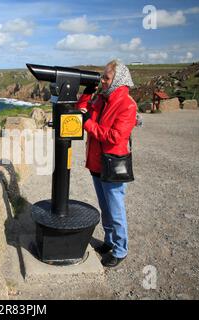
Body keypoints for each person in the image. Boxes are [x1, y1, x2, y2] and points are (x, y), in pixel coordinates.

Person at [75, 59, 137, 268]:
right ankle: (110, 242)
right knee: (105, 207)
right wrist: (87, 92)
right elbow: (80, 108)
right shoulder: (101, 99)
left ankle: (121, 250)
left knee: (115, 209)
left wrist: (89, 125)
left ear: (117, 80)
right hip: (97, 163)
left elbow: (115, 136)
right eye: (102, 77)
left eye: (106, 78)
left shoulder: (127, 104)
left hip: (112, 165)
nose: (102, 81)